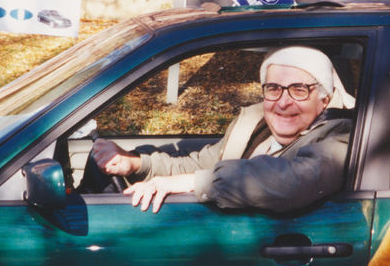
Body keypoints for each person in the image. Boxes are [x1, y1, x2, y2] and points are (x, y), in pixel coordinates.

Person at [91, 46, 355, 213]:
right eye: (273, 89)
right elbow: (202, 163)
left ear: (325, 99)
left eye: (299, 90)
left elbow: (293, 180)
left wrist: (196, 183)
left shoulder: (341, 136)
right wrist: (137, 165)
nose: (283, 102)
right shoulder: (255, 123)